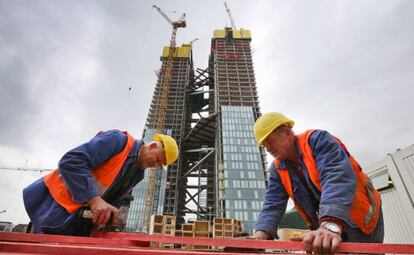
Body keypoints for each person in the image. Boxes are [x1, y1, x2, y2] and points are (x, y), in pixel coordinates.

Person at [252, 112, 383, 254]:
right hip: (326, 224)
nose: (268, 148)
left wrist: (330, 225)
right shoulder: (278, 169)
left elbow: (336, 178)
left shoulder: (317, 141)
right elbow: (273, 204)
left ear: (286, 133)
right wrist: (261, 235)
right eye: (264, 145)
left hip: (359, 218)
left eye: (270, 141)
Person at [23, 130, 178, 236]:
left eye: (159, 165)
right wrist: (95, 200)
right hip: (53, 208)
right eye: (158, 159)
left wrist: (114, 215)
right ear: (152, 146)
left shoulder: (138, 173)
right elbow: (71, 161)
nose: (155, 165)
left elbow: (120, 198)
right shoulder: (118, 141)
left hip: (76, 224)